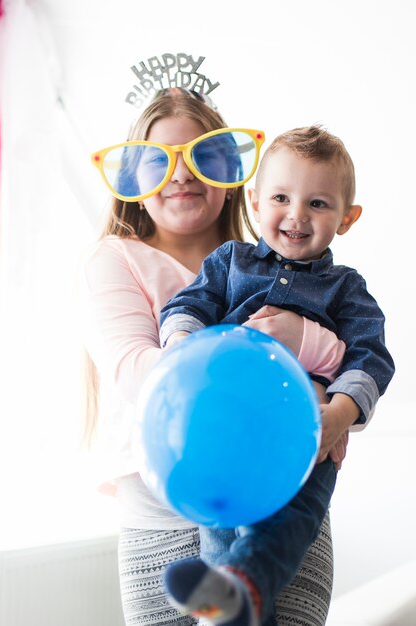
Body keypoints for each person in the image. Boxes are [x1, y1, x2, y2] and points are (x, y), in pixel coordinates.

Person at [81, 88, 353, 626]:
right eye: (159, 161)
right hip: (158, 520)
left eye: (202, 158)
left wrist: (314, 360)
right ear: (134, 179)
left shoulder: (283, 267)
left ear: (233, 177)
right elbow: (139, 373)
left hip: (277, 510)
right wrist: (291, 371)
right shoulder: (114, 258)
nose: (181, 175)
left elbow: (356, 371)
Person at [157, 125, 395, 626]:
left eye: (319, 204)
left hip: (305, 437)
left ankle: (238, 588)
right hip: (228, 435)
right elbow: (187, 306)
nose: (296, 215)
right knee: (221, 533)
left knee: (290, 521)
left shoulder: (346, 289)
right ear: (255, 199)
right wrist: (181, 349)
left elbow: (371, 358)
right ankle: (233, 594)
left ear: (347, 218)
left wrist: (339, 414)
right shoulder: (230, 263)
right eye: (282, 197)